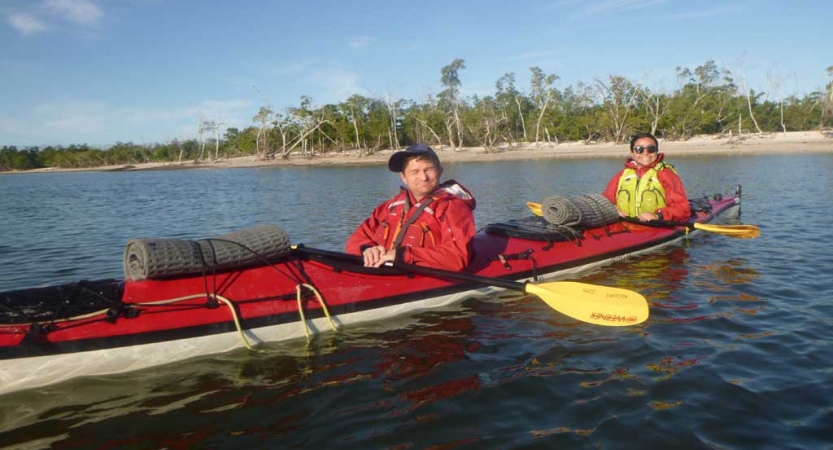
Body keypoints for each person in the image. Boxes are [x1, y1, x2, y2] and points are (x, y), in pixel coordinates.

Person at [345, 144, 476, 271]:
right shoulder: (390, 206)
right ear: (404, 177)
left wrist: (400, 255)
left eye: (429, 170)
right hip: (384, 274)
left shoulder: (453, 207)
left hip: (420, 277)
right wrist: (367, 249)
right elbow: (356, 239)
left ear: (440, 171)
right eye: (415, 172)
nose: (423, 177)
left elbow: (456, 258)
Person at [602, 132, 691, 222]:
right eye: (639, 149)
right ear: (632, 153)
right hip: (626, 224)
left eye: (651, 149)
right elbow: (604, 202)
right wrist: (613, 209)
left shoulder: (666, 174)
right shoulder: (621, 176)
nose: (645, 153)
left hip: (657, 225)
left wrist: (658, 215)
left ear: (656, 151)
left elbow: (682, 208)